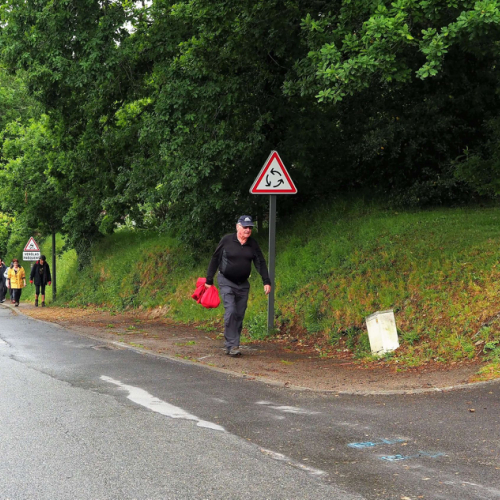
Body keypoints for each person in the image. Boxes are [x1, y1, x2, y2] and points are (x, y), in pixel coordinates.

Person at [205, 215, 271, 356]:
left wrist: (266, 281)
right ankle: (232, 345)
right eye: (245, 227)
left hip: (243, 284)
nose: (248, 230)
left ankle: (232, 344)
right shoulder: (227, 240)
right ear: (237, 227)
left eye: (250, 227)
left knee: (239, 315)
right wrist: (209, 279)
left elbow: (260, 262)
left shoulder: (252, 244)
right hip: (226, 280)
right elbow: (215, 258)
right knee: (231, 311)